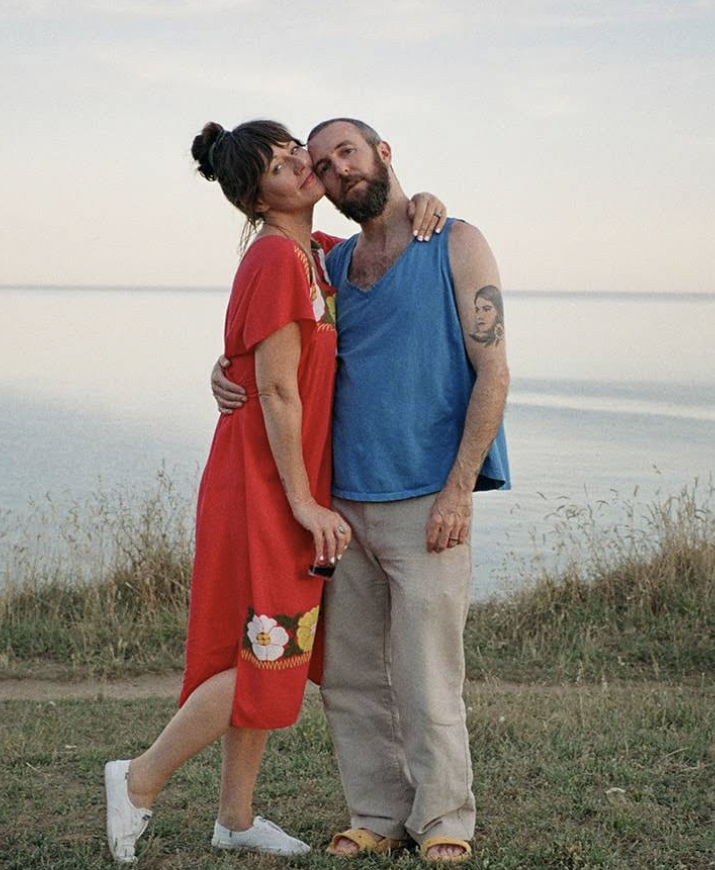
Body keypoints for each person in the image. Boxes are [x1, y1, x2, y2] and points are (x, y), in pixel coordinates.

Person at [102, 118, 447, 865]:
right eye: (283, 163)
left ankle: (235, 816)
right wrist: (301, 503)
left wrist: (424, 200)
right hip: (266, 485)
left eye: (299, 151)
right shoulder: (273, 260)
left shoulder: (316, 257)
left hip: (280, 479)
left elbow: (372, 250)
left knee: (261, 641)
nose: (301, 164)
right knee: (271, 647)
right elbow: (279, 392)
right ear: (258, 197)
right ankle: (138, 778)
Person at [212, 118, 510, 864]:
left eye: (346, 152)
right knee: (347, 678)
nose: (335, 169)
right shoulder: (333, 263)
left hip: (426, 503)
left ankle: (444, 819)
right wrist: (224, 372)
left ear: (383, 152)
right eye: (320, 163)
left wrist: (459, 489)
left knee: (427, 674)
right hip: (342, 508)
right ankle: (377, 811)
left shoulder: (453, 241)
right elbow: (274, 326)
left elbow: (494, 372)